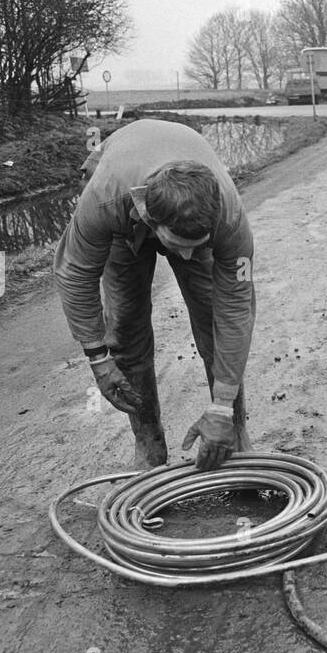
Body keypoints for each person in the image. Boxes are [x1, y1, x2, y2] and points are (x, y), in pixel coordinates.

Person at [54, 118, 254, 470]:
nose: (187, 257)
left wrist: (222, 404)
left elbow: (236, 308)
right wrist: (98, 359)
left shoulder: (230, 220)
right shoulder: (104, 201)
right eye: (178, 246)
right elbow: (75, 274)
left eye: (197, 247)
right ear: (146, 214)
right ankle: (148, 443)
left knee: (213, 318)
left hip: (181, 203)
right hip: (121, 214)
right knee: (127, 326)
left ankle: (231, 433)